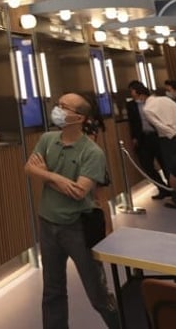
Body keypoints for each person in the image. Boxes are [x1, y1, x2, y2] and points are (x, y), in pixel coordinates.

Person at [25, 93, 119, 329]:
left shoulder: (92, 152)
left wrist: (45, 175)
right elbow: (30, 168)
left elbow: (79, 192)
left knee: (97, 293)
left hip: (79, 228)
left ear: (78, 117)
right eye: (57, 105)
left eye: (62, 107)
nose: (56, 109)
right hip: (47, 224)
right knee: (52, 291)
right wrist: (54, 177)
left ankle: (121, 323)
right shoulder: (47, 139)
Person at [142, 88, 176, 210]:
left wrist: (173, 133)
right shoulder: (166, 99)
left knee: (172, 169)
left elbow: (159, 125)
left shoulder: (147, 109)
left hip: (167, 140)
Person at [124, 81, 170, 199]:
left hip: (157, 135)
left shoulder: (153, 102)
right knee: (147, 166)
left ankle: (173, 189)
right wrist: (134, 137)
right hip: (143, 138)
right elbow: (132, 123)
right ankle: (162, 188)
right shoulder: (131, 105)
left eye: (132, 90)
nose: (131, 93)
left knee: (165, 163)